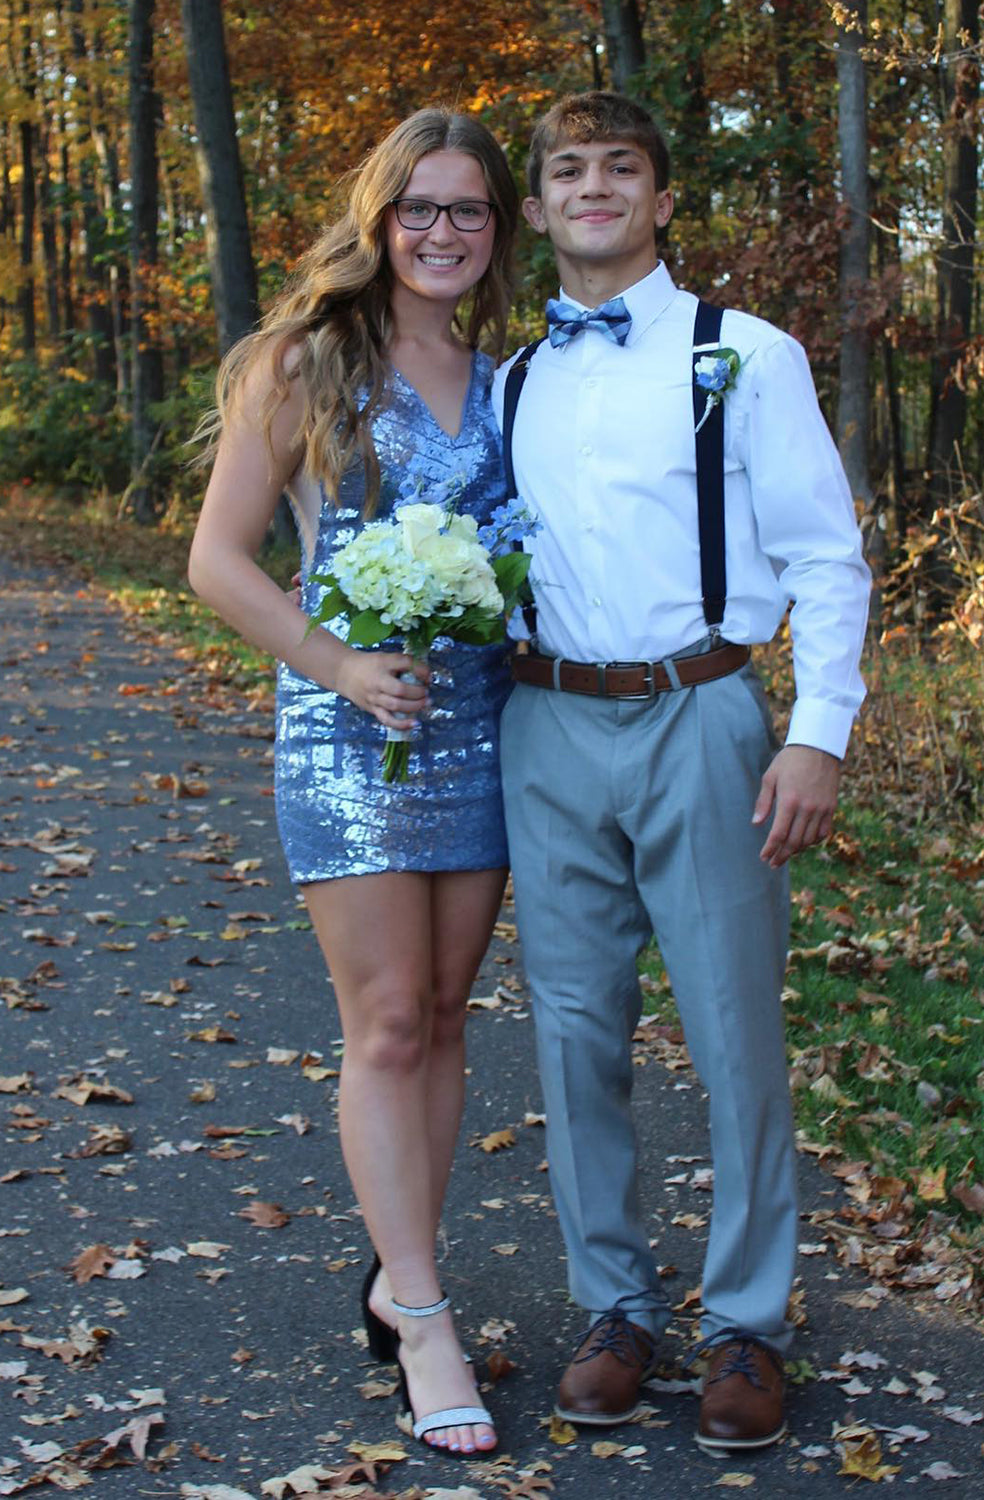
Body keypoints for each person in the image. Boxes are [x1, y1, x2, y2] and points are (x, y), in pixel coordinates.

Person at [493, 92, 870, 1453]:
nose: (593, 187)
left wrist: (819, 728)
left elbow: (826, 554)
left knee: (733, 1033)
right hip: (543, 727)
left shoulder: (745, 354)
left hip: (703, 714)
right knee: (575, 1035)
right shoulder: (513, 378)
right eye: (566, 170)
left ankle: (749, 1323)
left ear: (660, 201)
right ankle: (612, 1308)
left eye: (623, 168)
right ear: (533, 209)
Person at [189, 109, 520, 1457]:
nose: (443, 232)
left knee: (446, 1012)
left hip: (485, 721)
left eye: (470, 211)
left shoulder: (513, 375)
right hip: (349, 726)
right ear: (380, 218)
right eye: (420, 208)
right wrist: (340, 664)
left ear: (499, 231)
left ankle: (400, 1272)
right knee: (385, 1020)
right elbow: (218, 562)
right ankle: (427, 1321)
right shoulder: (308, 360)